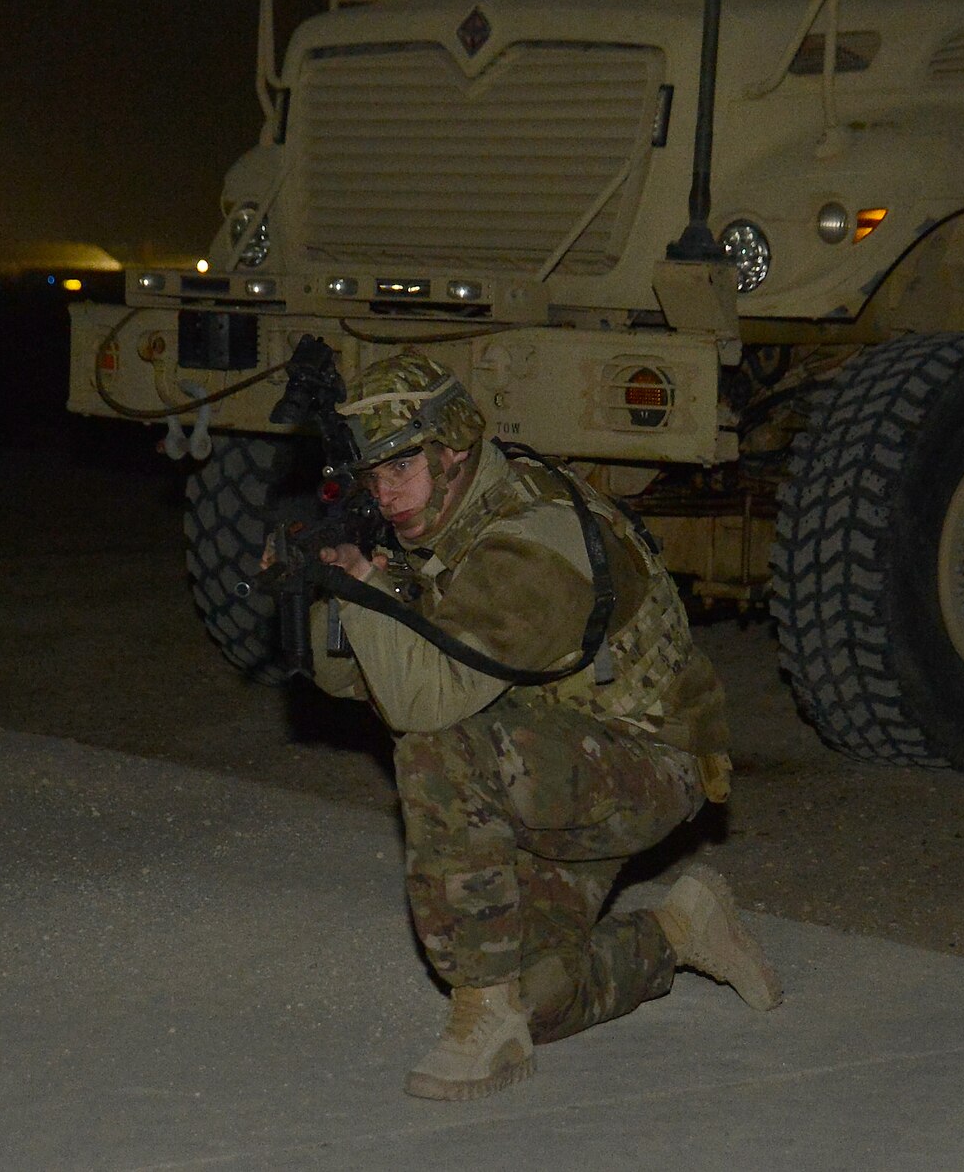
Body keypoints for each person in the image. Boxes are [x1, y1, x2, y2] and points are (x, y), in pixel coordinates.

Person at [299, 350, 781, 1101]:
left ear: (453, 448)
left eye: (401, 467)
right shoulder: (438, 524)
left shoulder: (531, 539)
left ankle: (484, 1016)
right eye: (373, 475)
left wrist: (364, 591)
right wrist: (325, 585)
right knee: (546, 996)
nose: (385, 493)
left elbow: (420, 704)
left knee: (437, 747)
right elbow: (351, 677)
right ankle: (682, 929)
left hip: (649, 761)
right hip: (558, 755)